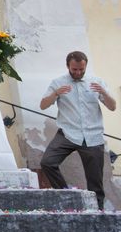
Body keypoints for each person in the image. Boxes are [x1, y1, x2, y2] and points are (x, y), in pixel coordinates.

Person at [40, 51, 117, 210]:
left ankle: (97, 213)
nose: (78, 72)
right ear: (68, 66)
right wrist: (55, 94)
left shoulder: (96, 82)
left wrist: (103, 92)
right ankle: (67, 198)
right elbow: (43, 105)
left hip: (93, 136)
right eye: (74, 69)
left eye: (81, 69)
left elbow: (112, 107)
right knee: (47, 162)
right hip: (67, 134)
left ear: (85, 65)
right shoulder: (58, 82)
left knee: (95, 181)